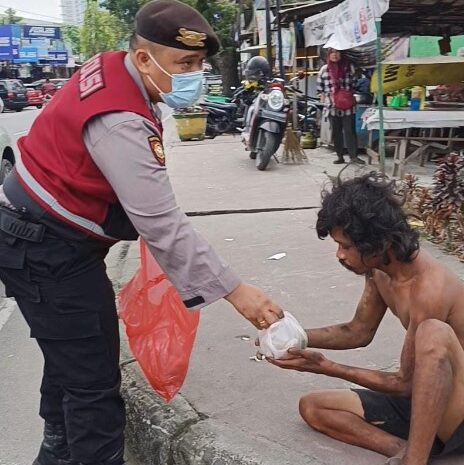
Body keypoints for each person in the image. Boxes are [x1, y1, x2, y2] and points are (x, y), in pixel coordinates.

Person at [0, 2, 283, 465]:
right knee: (93, 390)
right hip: (45, 247)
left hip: (36, 233)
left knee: (70, 364)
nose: (194, 74)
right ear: (145, 58)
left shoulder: (111, 69)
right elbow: (161, 222)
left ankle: (54, 453)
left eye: (198, 63)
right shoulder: (122, 121)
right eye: (184, 64)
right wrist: (236, 291)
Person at [269, 174, 464, 465]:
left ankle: (415, 460)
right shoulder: (380, 272)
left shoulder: (429, 288)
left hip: (456, 410)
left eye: (346, 246)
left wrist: (326, 367)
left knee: (433, 333)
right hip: (425, 398)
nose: (340, 255)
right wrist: (290, 334)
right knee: (314, 408)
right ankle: (407, 448)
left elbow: (405, 384)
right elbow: (357, 331)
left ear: (378, 241)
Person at [317, 48, 365, 165]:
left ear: (342, 54)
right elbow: (320, 89)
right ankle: (340, 156)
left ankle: (353, 156)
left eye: (337, 52)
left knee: (350, 131)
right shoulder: (324, 70)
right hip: (333, 106)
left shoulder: (349, 67)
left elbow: (355, 83)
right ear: (328, 55)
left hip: (348, 106)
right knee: (336, 132)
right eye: (332, 52)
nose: (335, 55)